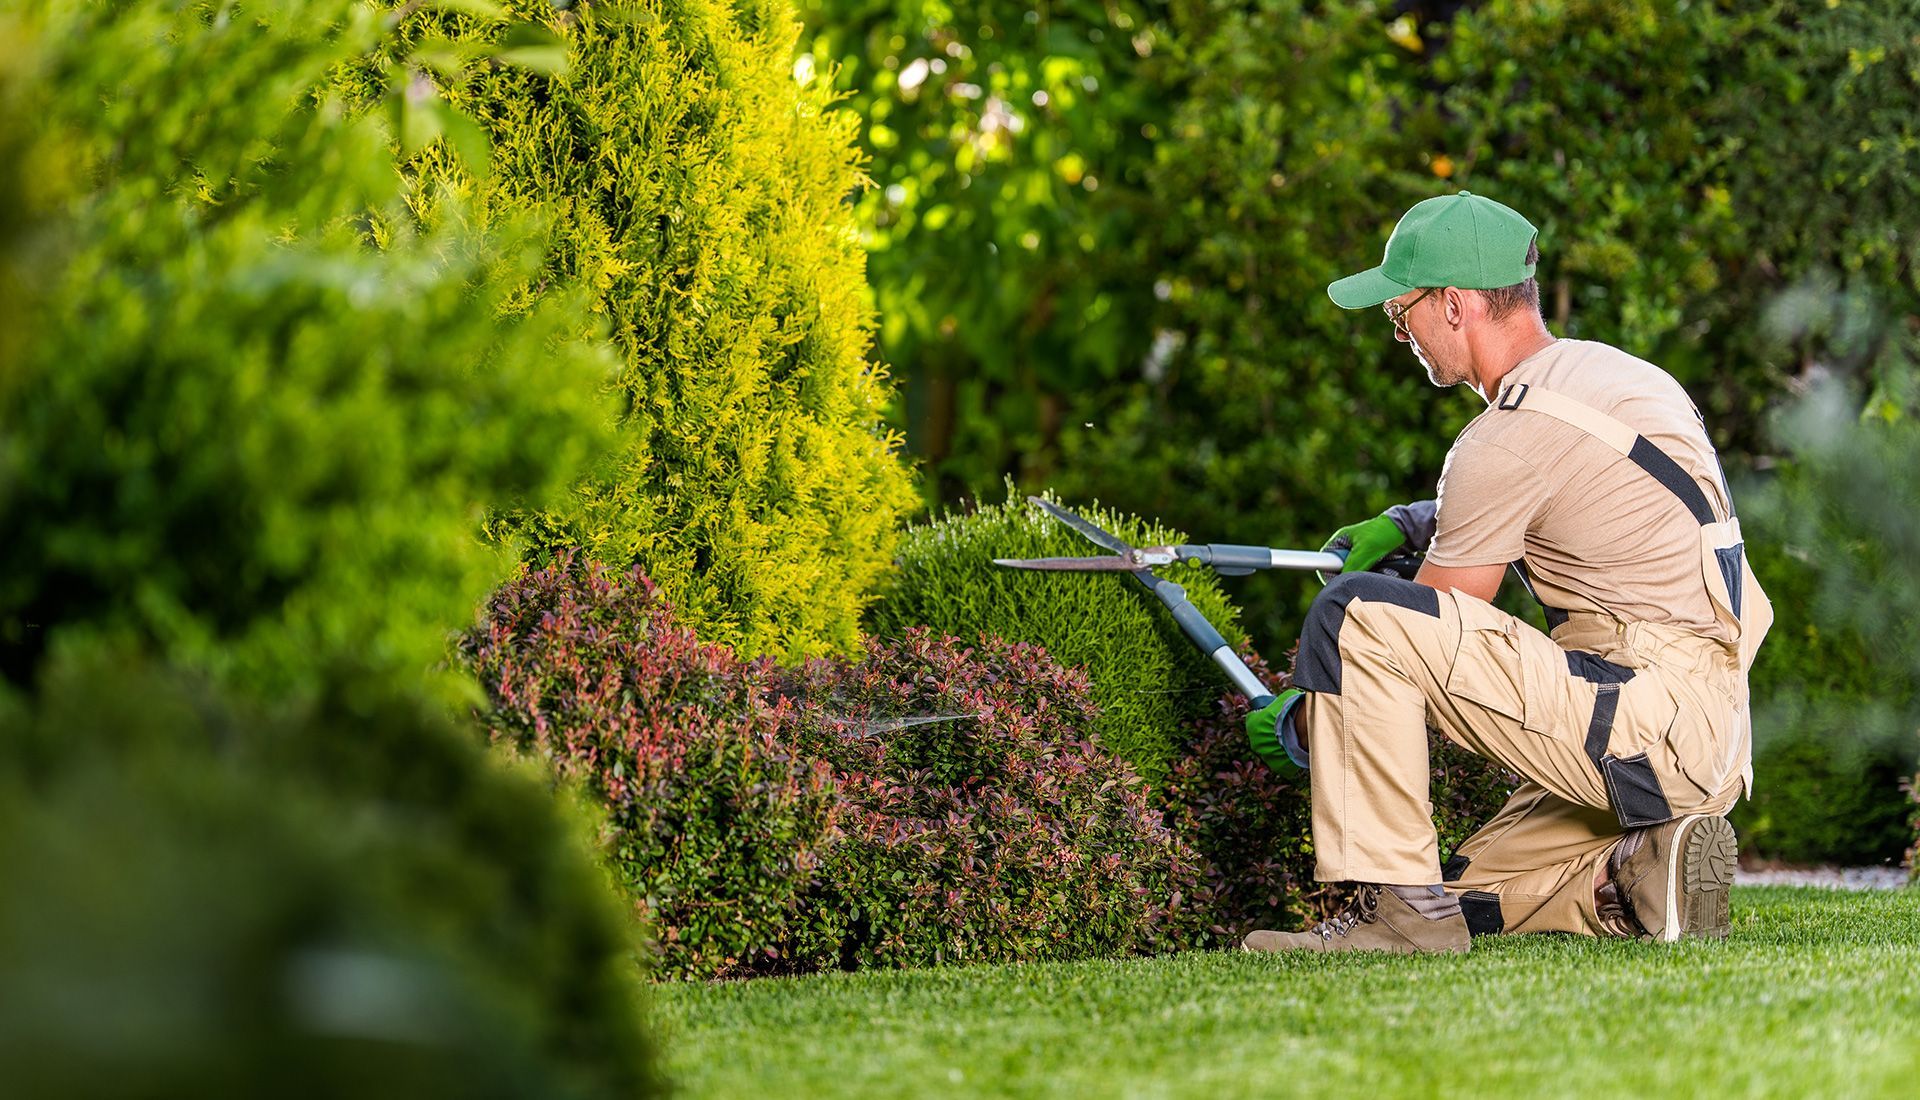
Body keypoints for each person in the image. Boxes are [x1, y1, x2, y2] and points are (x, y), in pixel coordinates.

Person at [1239, 191, 1772, 954]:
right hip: (1706, 734)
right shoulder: (1615, 378)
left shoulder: (1506, 436)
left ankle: (1403, 925)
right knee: (1459, 889)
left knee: (1355, 616)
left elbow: (1426, 639)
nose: (1398, 329)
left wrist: (1303, 719)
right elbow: (1577, 496)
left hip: (1643, 725)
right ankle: (1632, 873)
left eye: (1402, 308)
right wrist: (1414, 521)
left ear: (1454, 305)